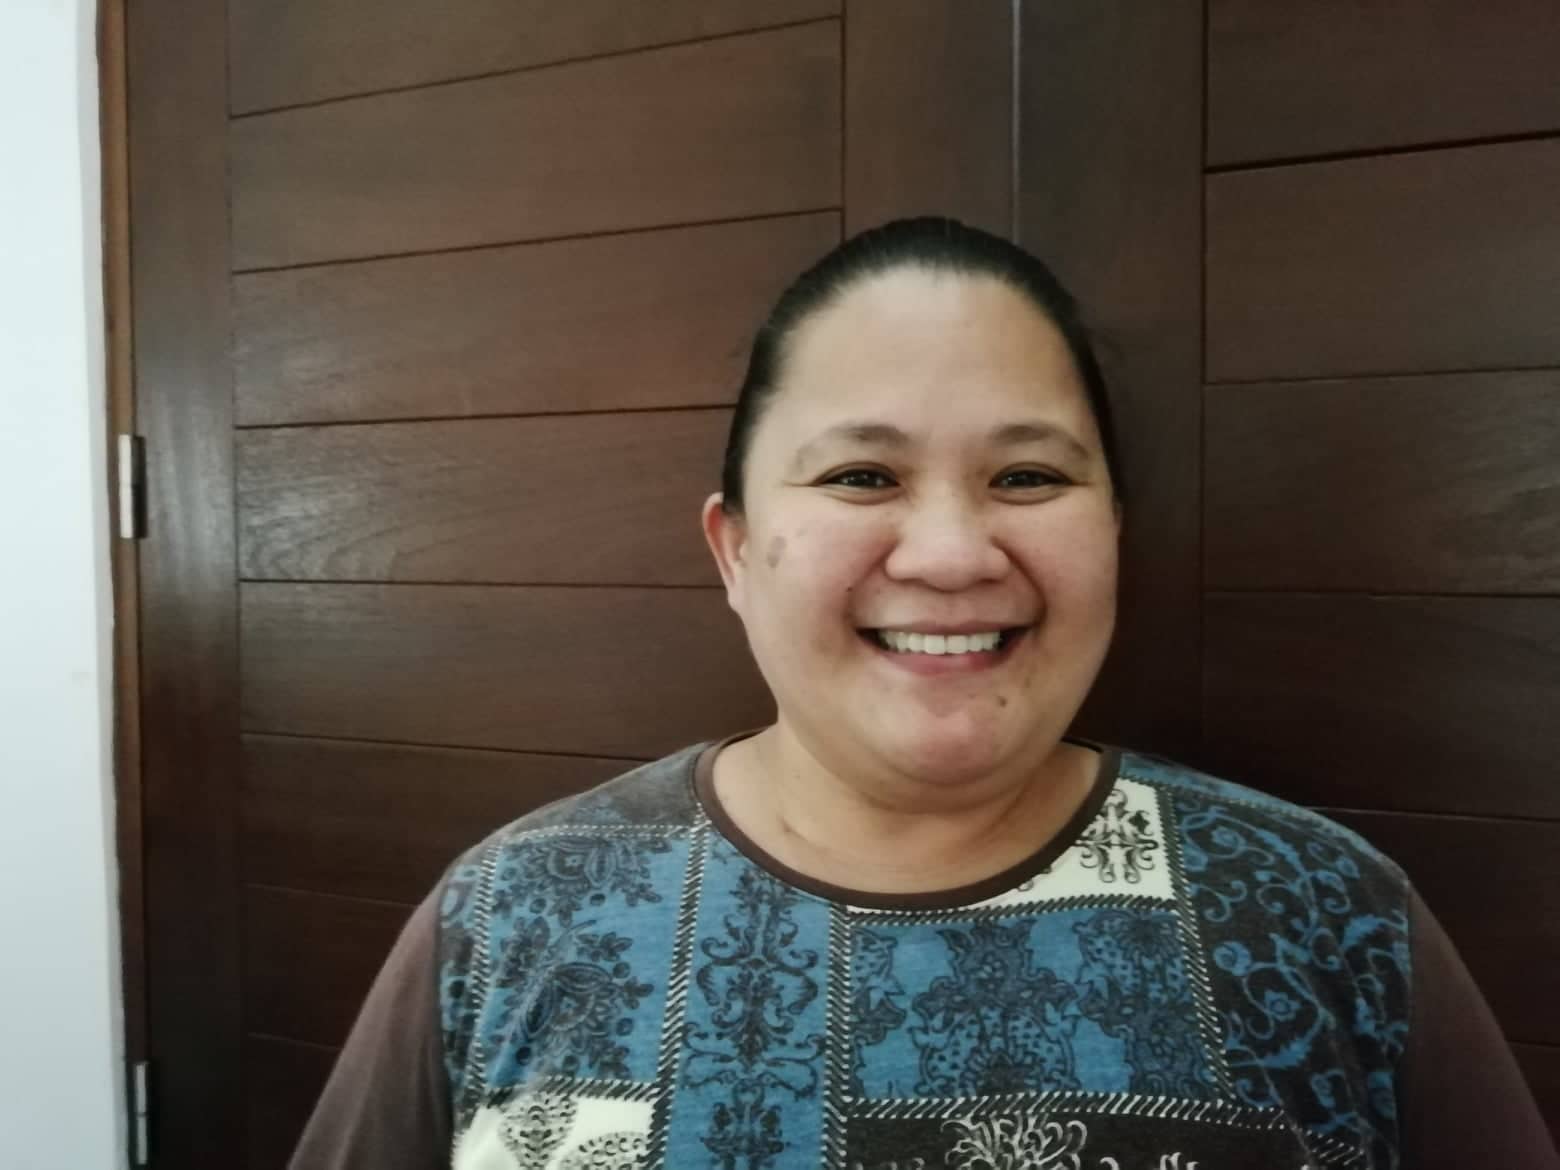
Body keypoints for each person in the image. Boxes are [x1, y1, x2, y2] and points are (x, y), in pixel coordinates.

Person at [290, 218, 1557, 1170]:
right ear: (735, 549)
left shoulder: (1326, 914)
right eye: (861, 477)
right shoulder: (511, 915)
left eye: (1027, 478)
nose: (951, 555)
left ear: (1114, 532)